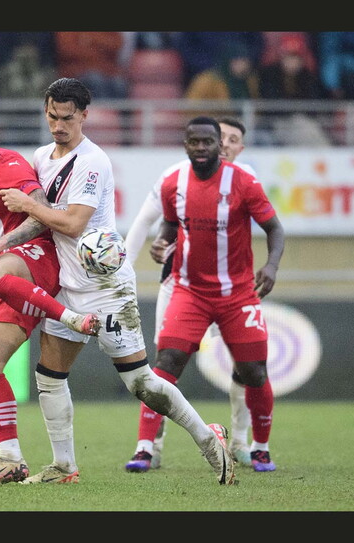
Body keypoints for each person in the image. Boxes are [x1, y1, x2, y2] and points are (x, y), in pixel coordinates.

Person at [0, 77, 236, 485]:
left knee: (140, 383)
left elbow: (73, 223)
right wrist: (3, 243)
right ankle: (63, 466)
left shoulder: (93, 161)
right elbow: (42, 223)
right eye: (52, 117)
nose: (58, 126)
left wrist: (25, 204)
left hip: (106, 287)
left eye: (67, 118)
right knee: (49, 376)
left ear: (84, 116)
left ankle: (208, 439)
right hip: (67, 286)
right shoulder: (40, 156)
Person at [0, 99, 102, 486]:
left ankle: (71, 318)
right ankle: (10, 459)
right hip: (10, 272)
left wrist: (0, 245)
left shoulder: (10, 164)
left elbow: (40, 214)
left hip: (37, 255)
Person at [122, 116, 285, 474]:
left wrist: (271, 266)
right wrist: (162, 242)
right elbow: (170, 222)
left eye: (207, 142)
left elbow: (274, 228)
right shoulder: (173, 182)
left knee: (254, 371)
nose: (200, 148)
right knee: (165, 364)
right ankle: (146, 448)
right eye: (193, 142)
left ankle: (259, 448)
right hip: (189, 291)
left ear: (218, 146)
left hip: (237, 294)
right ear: (185, 144)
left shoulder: (243, 182)